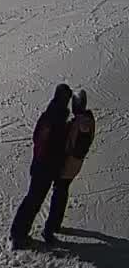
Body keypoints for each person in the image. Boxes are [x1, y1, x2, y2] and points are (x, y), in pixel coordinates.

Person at [11, 84, 74, 249]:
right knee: (34, 201)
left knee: (32, 199)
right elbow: (57, 147)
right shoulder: (58, 119)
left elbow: (36, 137)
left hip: (40, 164)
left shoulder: (48, 115)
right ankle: (18, 235)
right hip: (46, 168)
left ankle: (18, 232)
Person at [46, 90, 98, 241]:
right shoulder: (84, 120)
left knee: (59, 193)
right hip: (73, 164)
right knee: (61, 191)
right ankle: (55, 224)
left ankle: (51, 227)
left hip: (69, 164)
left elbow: (76, 145)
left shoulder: (83, 123)